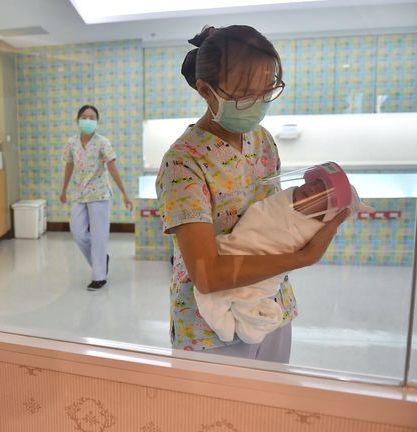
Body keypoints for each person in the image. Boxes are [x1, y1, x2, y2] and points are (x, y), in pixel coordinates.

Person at [155, 25, 349, 362]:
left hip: (270, 305)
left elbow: (271, 217)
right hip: (210, 329)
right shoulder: (183, 163)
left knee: (268, 409)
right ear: (205, 90)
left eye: (267, 90)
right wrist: (305, 256)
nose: (258, 103)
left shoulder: (262, 141)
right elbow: (207, 274)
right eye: (246, 94)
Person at [195, 163, 373, 344]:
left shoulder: (310, 229)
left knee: (249, 304)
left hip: (266, 279)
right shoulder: (281, 202)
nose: (311, 188)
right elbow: (259, 217)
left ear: (324, 215)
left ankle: (246, 314)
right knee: (210, 293)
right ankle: (228, 316)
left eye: (321, 193)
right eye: (315, 183)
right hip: (233, 252)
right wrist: (306, 257)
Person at [59, 105, 133, 290]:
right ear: (78, 120)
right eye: (85, 117)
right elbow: (69, 166)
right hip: (79, 193)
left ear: (97, 122)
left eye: (92, 118)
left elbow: (113, 168)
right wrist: (63, 190)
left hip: (100, 193)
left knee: (99, 236)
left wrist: (125, 194)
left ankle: (99, 276)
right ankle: (101, 260)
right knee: (77, 232)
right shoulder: (71, 143)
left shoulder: (102, 142)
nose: (88, 120)